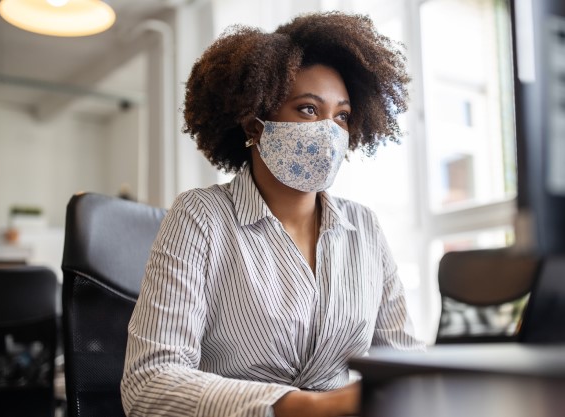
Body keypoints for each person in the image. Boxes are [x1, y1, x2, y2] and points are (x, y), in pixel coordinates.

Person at [121, 11, 424, 417]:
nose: (330, 132)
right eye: (308, 110)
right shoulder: (201, 216)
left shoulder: (364, 228)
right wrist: (305, 407)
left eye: (342, 116)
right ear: (255, 123)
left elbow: (405, 364)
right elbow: (149, 383)